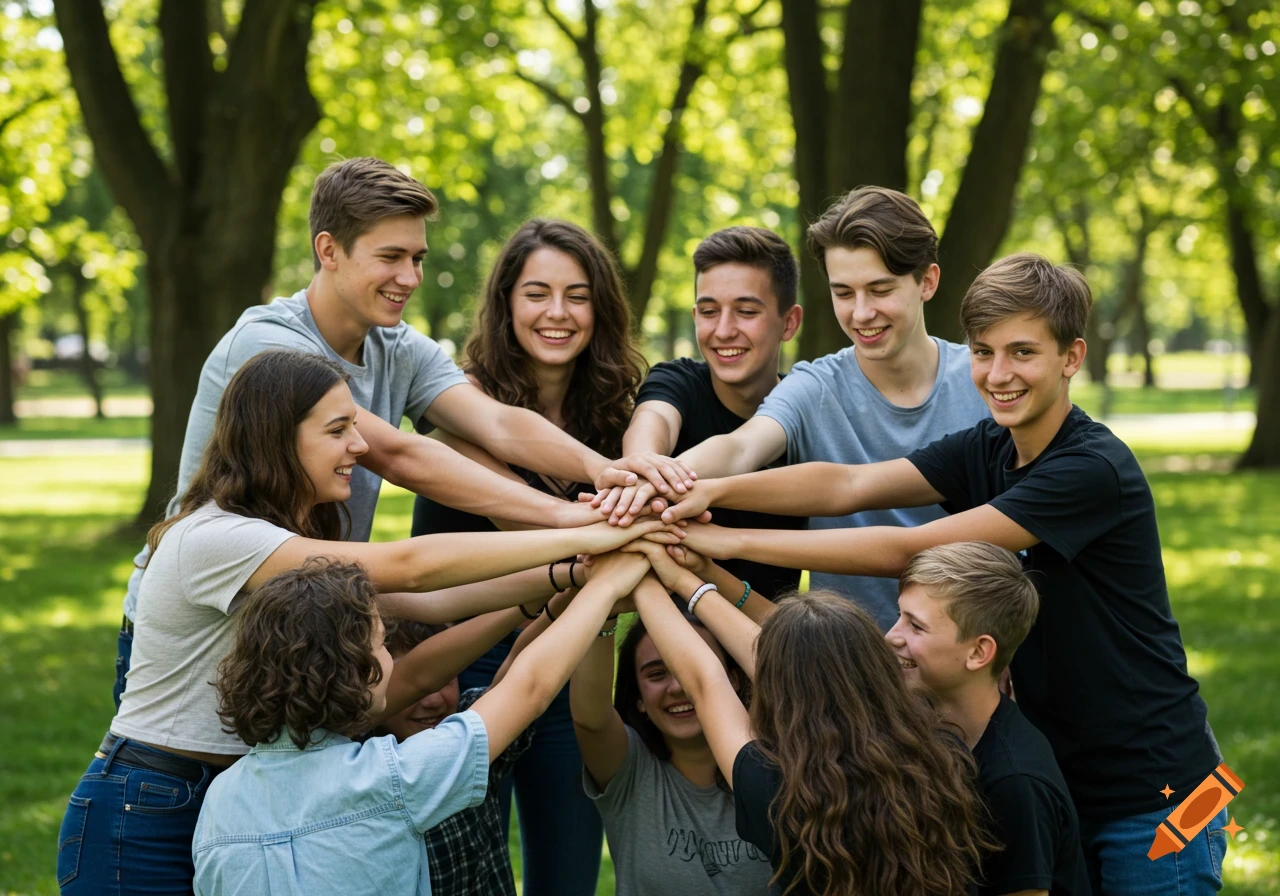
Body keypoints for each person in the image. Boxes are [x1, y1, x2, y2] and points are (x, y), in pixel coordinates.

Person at [660, 254, 1225, 894]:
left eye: (1022, 353)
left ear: (1072, 357)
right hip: (1062, 769)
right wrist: (704, 486)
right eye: (983, 353)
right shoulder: (989, 445)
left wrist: (721, 536)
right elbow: (847, 484)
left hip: (1163, 791)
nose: (998, 374)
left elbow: (911, 549)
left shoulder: (1090, 469)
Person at [55, 350, 675, 895]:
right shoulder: (222, 538)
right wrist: (581, 527)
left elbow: (430, 606)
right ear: (278, 438)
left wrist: (572, 577)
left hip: (229, 797)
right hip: (145, 811)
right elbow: (408, 567)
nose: (359, 446)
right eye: (338, 430)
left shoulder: (284, 540)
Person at [111, 158, 690, 707]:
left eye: (417, 257)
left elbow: (496, 421)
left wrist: (603, 470)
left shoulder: (398, 347)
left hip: (299, 624)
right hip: (203, 619)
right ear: (328, 250)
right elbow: (397, 454)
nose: (410, 277)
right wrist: (568, 519)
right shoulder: (269, 345)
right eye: (391, 256)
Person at [608, 188, 989, 629]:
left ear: (927, 281)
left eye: (879, 289)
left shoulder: (985, 380)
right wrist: (657, 478)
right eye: (843, 292)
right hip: (852, 659)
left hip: (978, 652)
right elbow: (740, 448)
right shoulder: (815, 385)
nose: (861, 313)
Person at [410, 218, 656, 895]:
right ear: (506, 303)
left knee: (568, 875)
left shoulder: (619, 415)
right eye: (537, 293)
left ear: (599, 308)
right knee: (459, 875)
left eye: (577, 295)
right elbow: (516, 509)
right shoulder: (457, 403)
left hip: (571, 656)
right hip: (462, 665)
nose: (557, 313)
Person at [191, 550, 655, 896]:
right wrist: (604, 587)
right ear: (351, 672)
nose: (393, 666)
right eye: (379, 646)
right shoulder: (392, 778)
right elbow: (528, 688)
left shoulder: (220, 801)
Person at [626, 549, 994, 896]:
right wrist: (679, 578)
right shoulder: (944, 753)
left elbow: (706, 682)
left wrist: (639, 576)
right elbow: (804, 674)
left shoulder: (775, 787)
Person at [601, 226, 805, 600]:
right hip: (672, 628)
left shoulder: (804, 405)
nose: (724, 330)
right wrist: (644, 464)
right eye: (709, 312)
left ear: (789, 322)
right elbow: (653, 420)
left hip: (774, 633)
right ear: (695, 316)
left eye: (745, 311)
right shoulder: (678, 379)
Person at [886, 542, 1090, 896]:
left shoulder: (1015, 784)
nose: (891, 636)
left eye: (916, 627)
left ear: (979, 652)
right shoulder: (928, 717)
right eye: (900, 615)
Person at [569, 591, 772, 895]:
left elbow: (797, 669)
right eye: (656, 673)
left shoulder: (777, 761)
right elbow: (590, 717)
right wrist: (607, 607)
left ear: (734, 678)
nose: (677, 686)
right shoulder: (629, 769)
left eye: (694, 669)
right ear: (638, 697)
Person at [376, 616, 534, 896]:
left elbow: (521, 665)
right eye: (417, 685)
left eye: (445, 679)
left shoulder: (469, 726)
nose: (433, 700)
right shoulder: (361, 763)